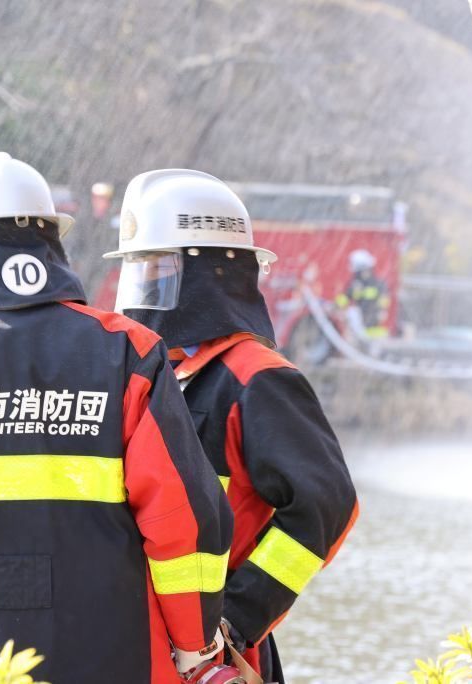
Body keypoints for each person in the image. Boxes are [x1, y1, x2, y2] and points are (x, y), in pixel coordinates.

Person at [0, 153, 233, 683]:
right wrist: (195, 645)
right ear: (50, 244)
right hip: (115, 658)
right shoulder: (128, 354)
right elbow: (183, 522)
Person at [106, 169, 359, 683]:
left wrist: (236, 620)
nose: (146, 289)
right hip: (141, 643)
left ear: (210, 274)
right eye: (140, 270)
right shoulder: (154, 376)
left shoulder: (258, 380)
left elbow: (325, 505)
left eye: (159, 269)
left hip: (215, 659)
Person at [335, 249, 391, 340]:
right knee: (352, 312)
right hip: (361, 324)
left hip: (374, 325)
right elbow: (346, 297)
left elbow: (384, 301)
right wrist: (335, 305)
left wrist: (381, 310)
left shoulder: (378, 285)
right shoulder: (355, 285)